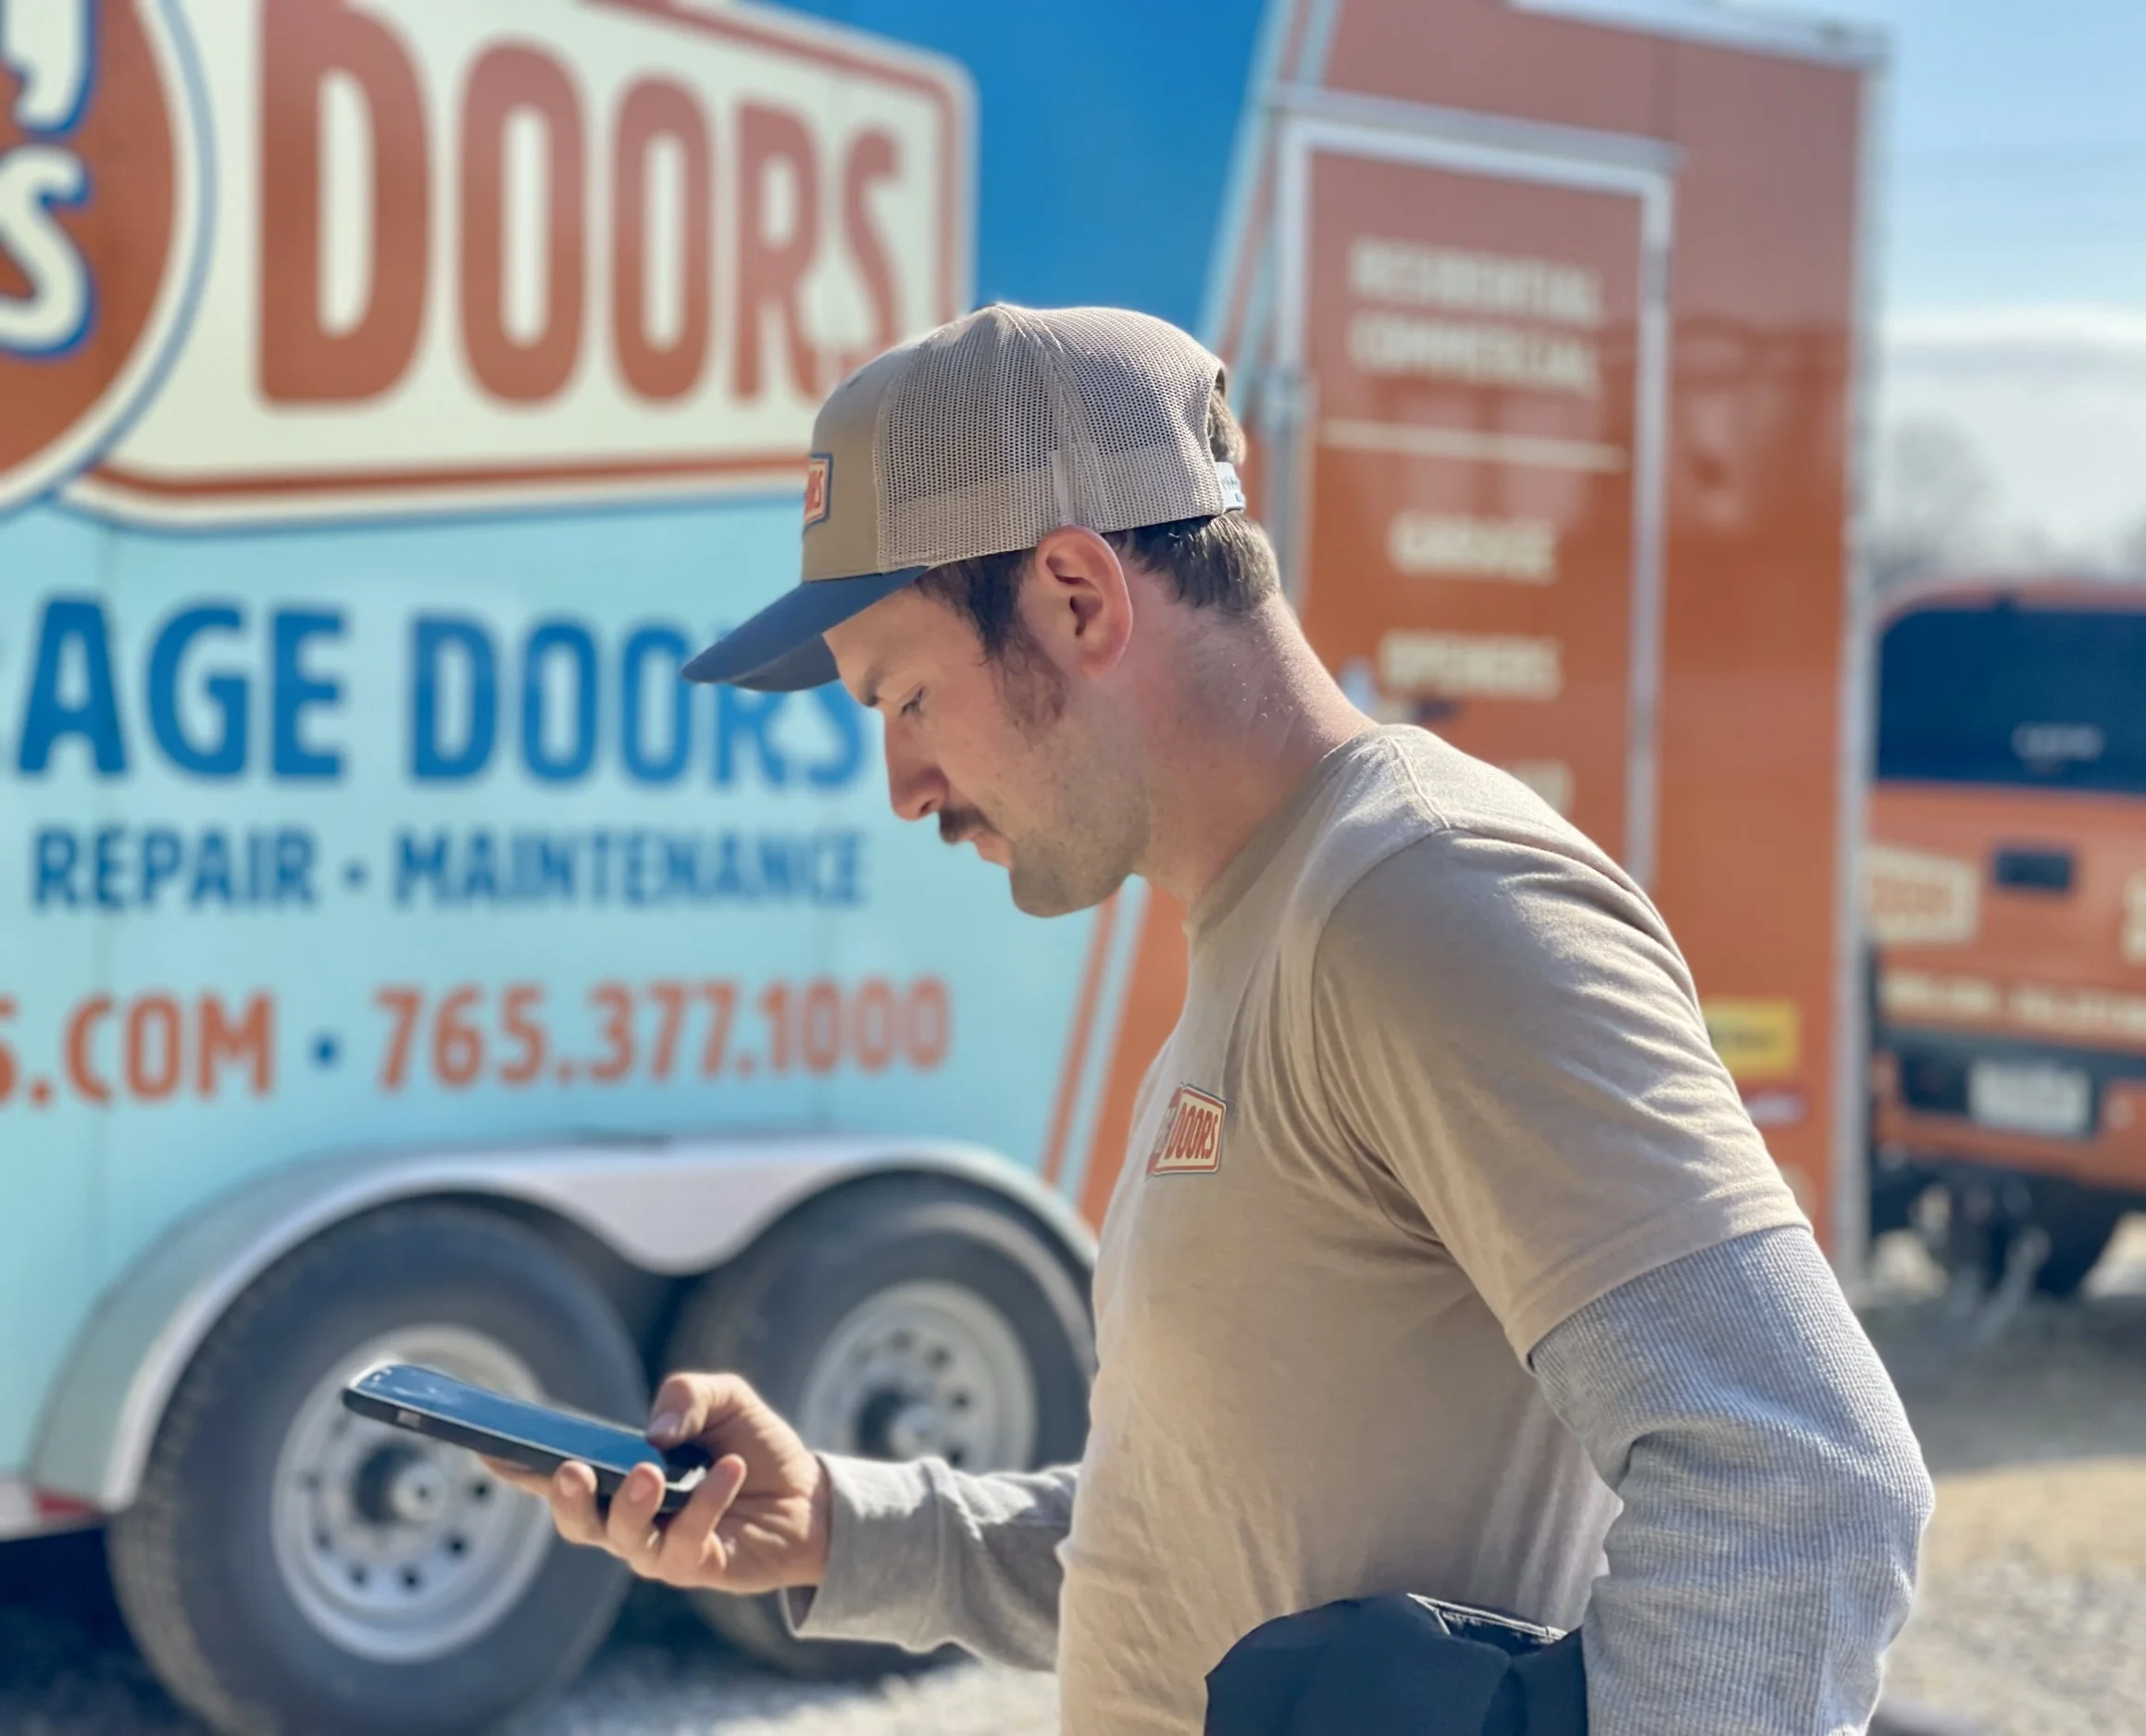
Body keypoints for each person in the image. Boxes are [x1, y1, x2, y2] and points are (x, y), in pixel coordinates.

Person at [490, 304, 1934, 1735]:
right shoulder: (1269, 930)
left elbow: (1801, 1476)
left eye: (910, 695)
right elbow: (1191, 1546)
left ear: (1076, 594)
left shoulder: (1431, 897)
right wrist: (839, 1525)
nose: (902, 783)